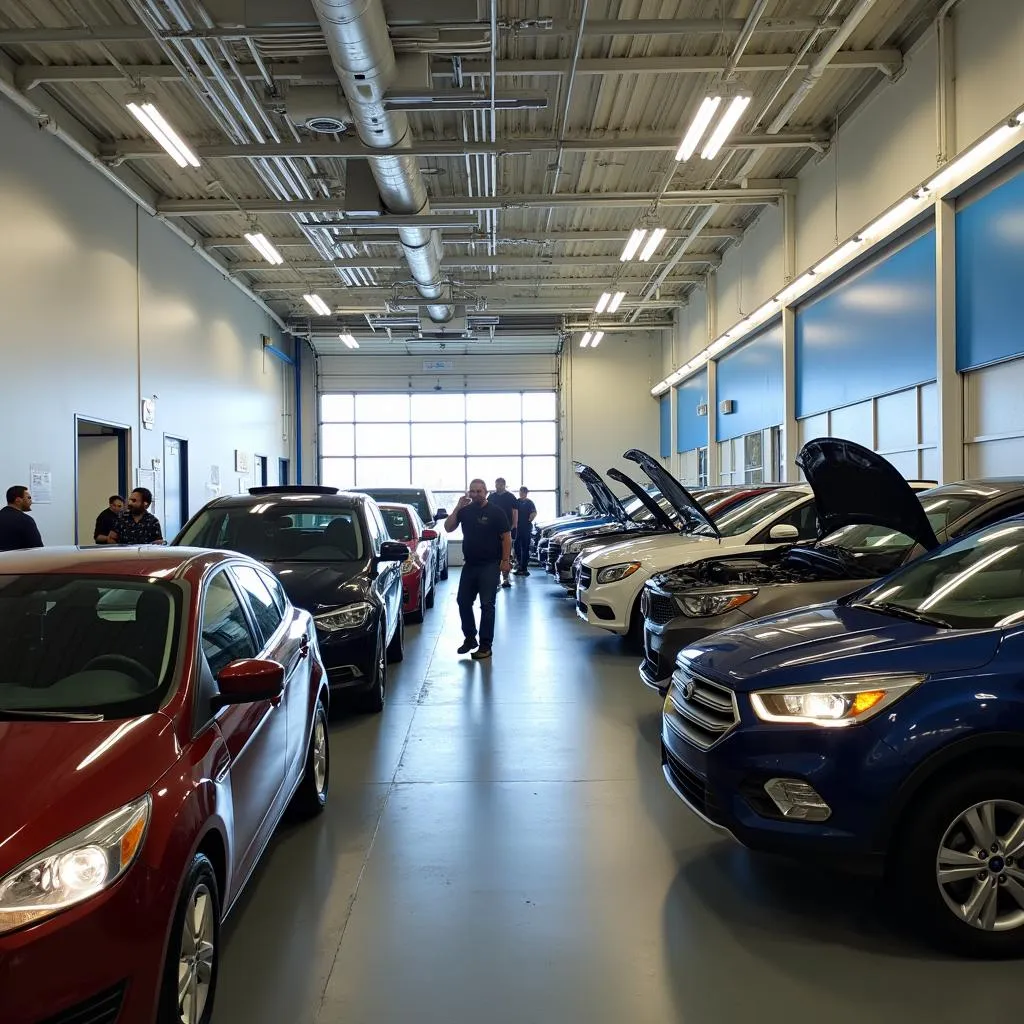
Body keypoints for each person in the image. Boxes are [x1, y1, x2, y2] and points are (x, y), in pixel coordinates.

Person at [445, 478, 511, 661]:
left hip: (490, 564)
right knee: (463, 601)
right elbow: (448, 528)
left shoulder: (496, 512)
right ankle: (470, 638)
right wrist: (457, 507)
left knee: (487, 605)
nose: (475, 494)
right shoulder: (465, 511)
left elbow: (506, 537)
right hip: (470, 565)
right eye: (472, 491)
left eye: (479, 491)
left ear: (486, 492)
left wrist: (505, 560)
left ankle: (485, 645)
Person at [488, 477, 519, 588]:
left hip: (506, 529)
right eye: (496, 484)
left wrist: (514, 525)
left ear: (504, 485)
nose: (498, 487)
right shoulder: (491, 496)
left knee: (506, 555)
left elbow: (515, 511)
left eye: (500, 485)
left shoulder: (510, 497)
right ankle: (496, 579)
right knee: (494, 555)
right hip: (492, 530)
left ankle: (505, 579)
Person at [0, 485, 43, 552]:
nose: (31, 501)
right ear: (18, 500)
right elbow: (37, 550)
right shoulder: (26, 520)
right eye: (29, 498)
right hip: (16, 561)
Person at [513, 486, 537, 576]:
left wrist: (529, 520)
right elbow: (513, 511)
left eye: (523, 492)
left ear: (526, 493)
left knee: (525, 547)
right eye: (520, 492)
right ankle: (519, 564)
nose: (521, 494)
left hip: (526, 527)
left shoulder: (530, 503)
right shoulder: (517, 502)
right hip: (517, 527)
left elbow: (534, 513)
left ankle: (524, 567)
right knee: (516, 545)